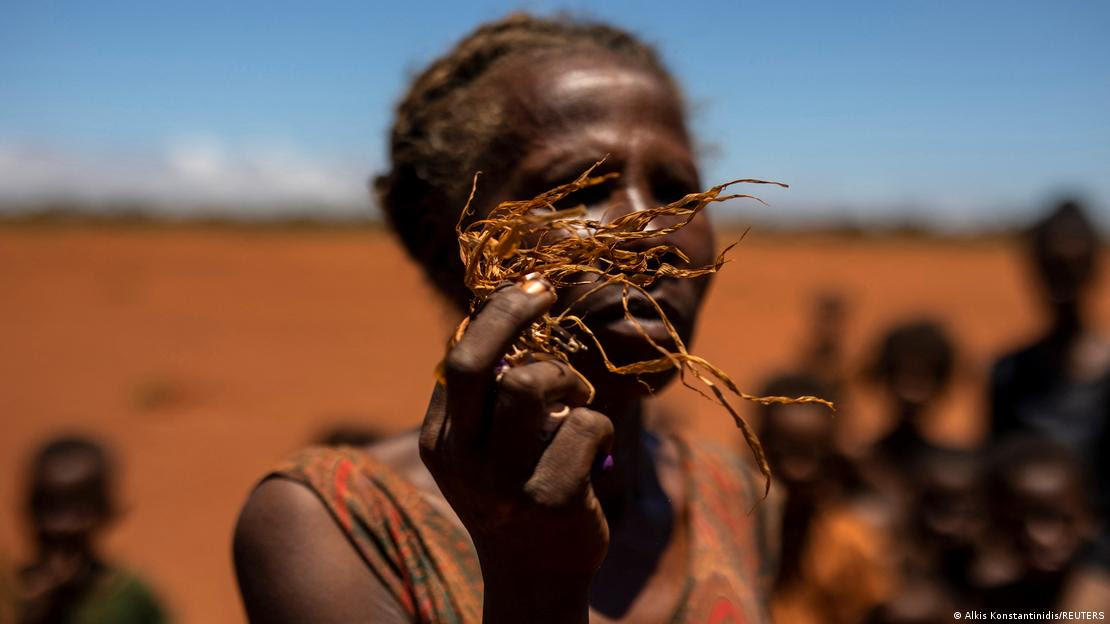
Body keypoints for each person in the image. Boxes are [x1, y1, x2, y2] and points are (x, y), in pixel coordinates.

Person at [234, 13, 779, 624]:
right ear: (442, 242)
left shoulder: (731, 492)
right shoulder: (335, 526)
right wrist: (533, 577)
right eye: (577, 189)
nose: (654, 232)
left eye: (680, 189)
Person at [989, 199, 1109, 574]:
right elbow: (993, 469)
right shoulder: (1008, 371)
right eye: (1051, 268)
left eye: (1072, 268)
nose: (1061, 282)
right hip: (1021, 552)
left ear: (1093, 268)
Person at [17, 436, 168, 624]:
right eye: (48, 506)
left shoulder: (130, 600)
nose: (61, 526)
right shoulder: (11, 595)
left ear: (107, 511)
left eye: (78, 511)